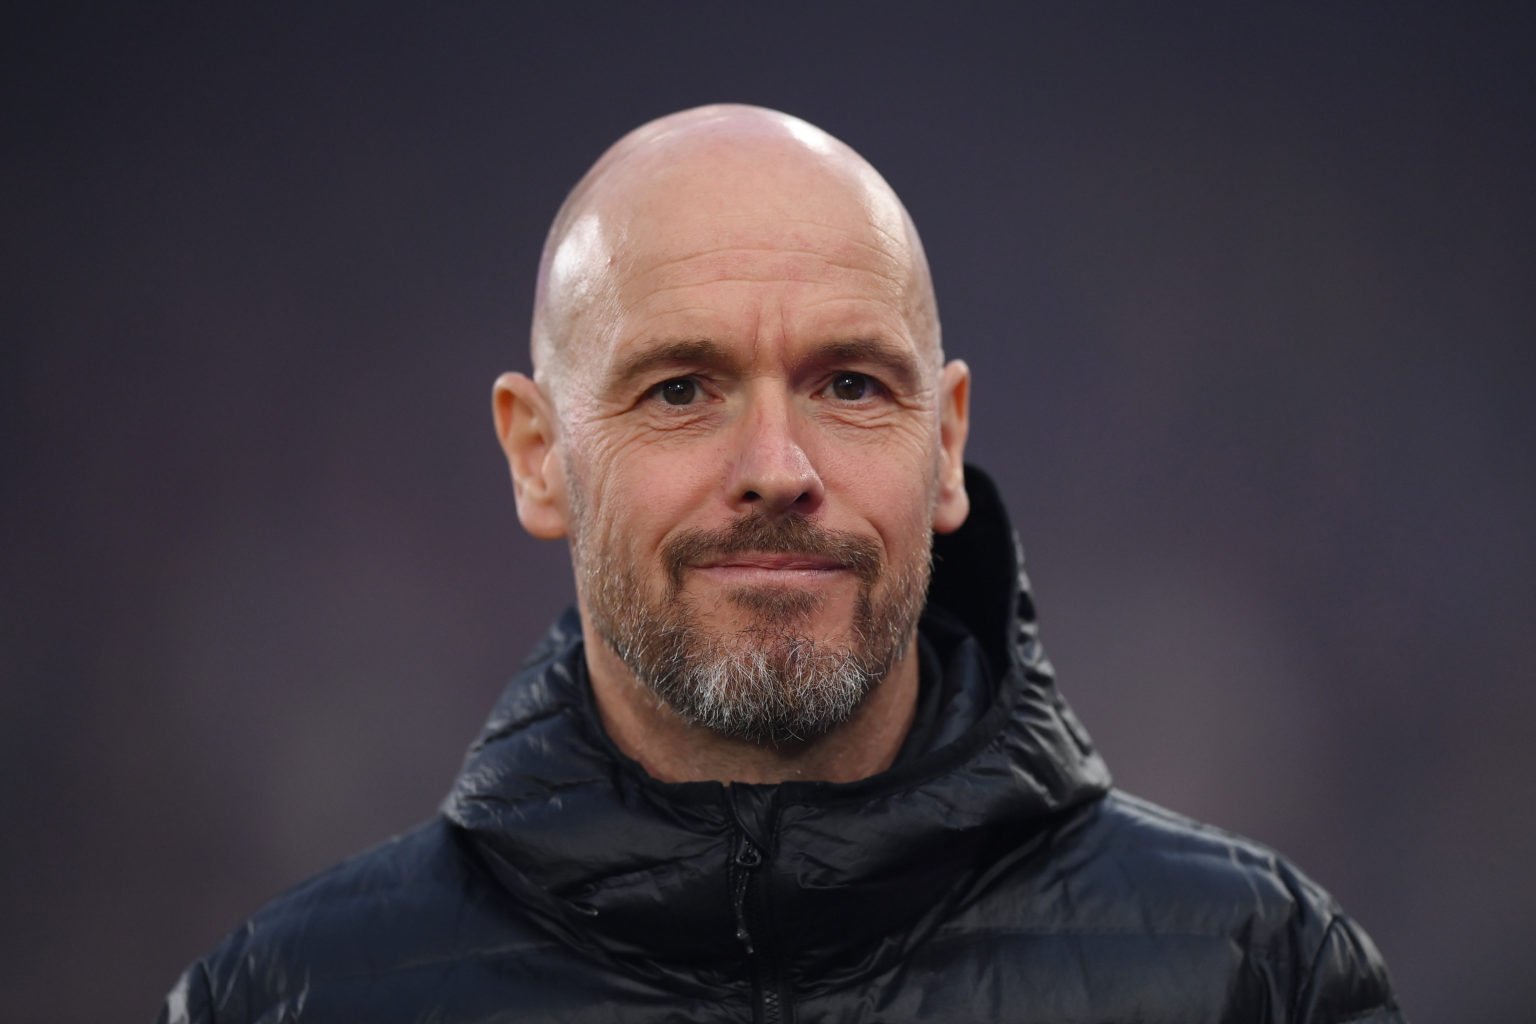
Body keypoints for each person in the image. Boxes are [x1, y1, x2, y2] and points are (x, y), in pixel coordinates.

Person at [159, 105, 1404, 1023]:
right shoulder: (287, 1000)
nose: (775, 463)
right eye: (683, 387)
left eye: (850, 384)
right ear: (540, 456)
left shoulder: (1258, 975)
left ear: (946, 444)